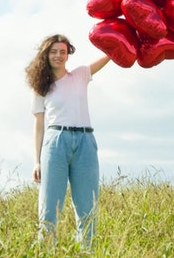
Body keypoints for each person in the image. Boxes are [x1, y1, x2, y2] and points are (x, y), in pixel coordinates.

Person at [25, 34, 110, 246]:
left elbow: (110, 55)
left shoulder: (81, 74)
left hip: (85, 141)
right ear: (46, 55)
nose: (58, 55)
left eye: (62, 51)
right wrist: (36, 161)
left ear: (68, 54)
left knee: (87, 208)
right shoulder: (41, 87)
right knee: (49, 207)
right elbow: (39, 126)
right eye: (53, 52)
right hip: (55, 142)